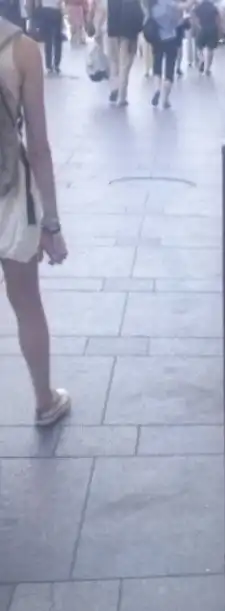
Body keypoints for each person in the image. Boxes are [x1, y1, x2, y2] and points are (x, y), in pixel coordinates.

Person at [0, 15, 71, 425]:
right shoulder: (22, 49)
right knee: (27, 303)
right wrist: (52, 224)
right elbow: (39, 145)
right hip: (11, 196)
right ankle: (45, 401)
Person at [89, 0, 143, 104]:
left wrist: (98, 32)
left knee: (113, 62)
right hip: (129, 33)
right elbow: (139, 14)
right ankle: (122, 96)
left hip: (110, 31)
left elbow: (101, 11)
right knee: (124, 65)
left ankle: (114, 87)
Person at [146, 0, 181, 107]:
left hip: (157, 39)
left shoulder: (150, 5)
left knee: (157, 66)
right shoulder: (167, 2)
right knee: (169, 69)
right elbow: (178, 15)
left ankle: (157, 89)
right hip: (170, 39)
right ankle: (165, 99)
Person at [191, 0, 218, 74]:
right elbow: (217, 19)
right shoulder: (213, 7)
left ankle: (202, 59)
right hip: (212, 28)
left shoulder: (199, 7)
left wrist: (197, 24)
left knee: (199, 46)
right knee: (210, 49)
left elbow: (193, 15)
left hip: (202, 28)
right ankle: (207, 69)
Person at [39, 0, 64, 73]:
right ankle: (56, 64)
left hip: (45, 11)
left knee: (47, 40)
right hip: (55, 11)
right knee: (57, 40)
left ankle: (48, 65)